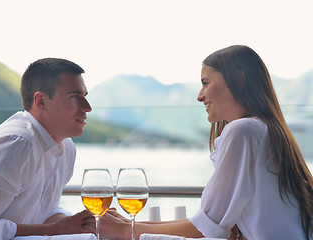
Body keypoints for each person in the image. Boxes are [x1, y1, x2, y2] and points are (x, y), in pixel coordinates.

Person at [95, 45, 313, 240]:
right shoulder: (267, 130)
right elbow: (205, 222)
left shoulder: (242, 131)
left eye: (206, 83)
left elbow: (207, 229)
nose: (200, 96)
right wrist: (129, 225)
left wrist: (125, 231)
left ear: (238, 80)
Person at [0, 58, 93, 239]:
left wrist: (87, 223)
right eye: (75, 97)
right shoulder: (17, 145)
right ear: (41, 101)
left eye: (85, 96)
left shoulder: (66, 148)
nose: (87, 108)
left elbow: (41, 213)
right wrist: (52, 230)